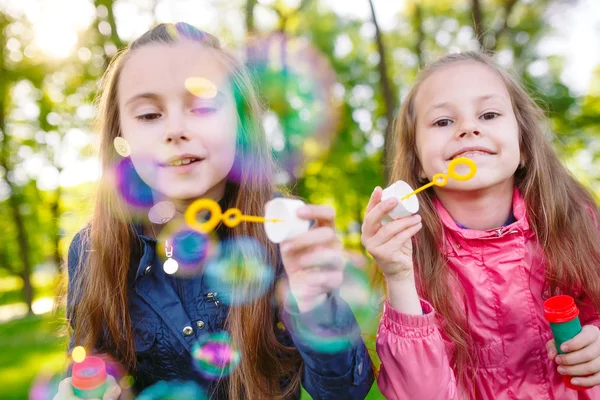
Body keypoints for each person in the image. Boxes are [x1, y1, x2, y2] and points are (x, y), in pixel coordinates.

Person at [54, 22, 373, 399]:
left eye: (202, 106)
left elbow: (345, 392)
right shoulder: (91, 250)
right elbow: (91, 368)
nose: (174, 129)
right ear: (120, 138)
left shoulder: (284, 230)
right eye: (149, 115)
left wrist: (314, 303)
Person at [362, 51, 600, 399]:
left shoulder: (574, 220)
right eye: (443, 122)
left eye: (488, 115)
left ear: (525, 144)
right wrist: (398, 277)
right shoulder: (412, 253)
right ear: (417, 164)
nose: (468, 129)